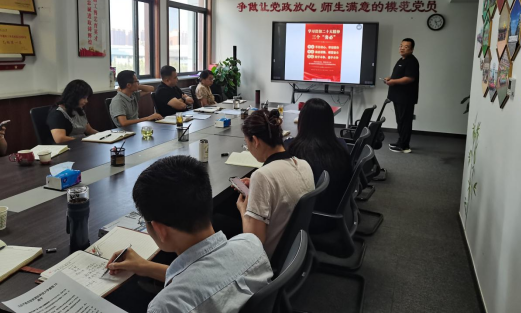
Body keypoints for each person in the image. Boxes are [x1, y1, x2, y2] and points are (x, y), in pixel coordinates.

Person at [106, 155, 272, 313]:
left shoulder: (166, 306)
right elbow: (207, 276)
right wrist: (145, 267)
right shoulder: (252, 244)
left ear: (160, 230)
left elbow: (198, 281)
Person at [237, 109, 315, 257]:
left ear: (256, 141)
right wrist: (257, 187)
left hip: (269, 257)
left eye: (247, 143)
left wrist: (243, 209)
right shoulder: (304, 164)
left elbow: (254, 242)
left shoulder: (262, 176)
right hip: (295, 250)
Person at [287, 98, 352, 214]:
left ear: (302, 121)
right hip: (335, 210)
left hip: (311, 216)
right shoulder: (341, 148)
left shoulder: (295, 153)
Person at [384, 38, 419, 153]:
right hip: (398, 97)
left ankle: (404, 146)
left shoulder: (412, 61)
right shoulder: (401, 60)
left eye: (406, 47)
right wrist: (390, 78)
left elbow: (409, 78)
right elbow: (398, 75)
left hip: (406, 97)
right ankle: (401, 142)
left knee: (404, 121)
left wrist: (393, 81)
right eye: (401, 46)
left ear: (412, 49)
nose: (402, 48)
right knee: (400, 121)